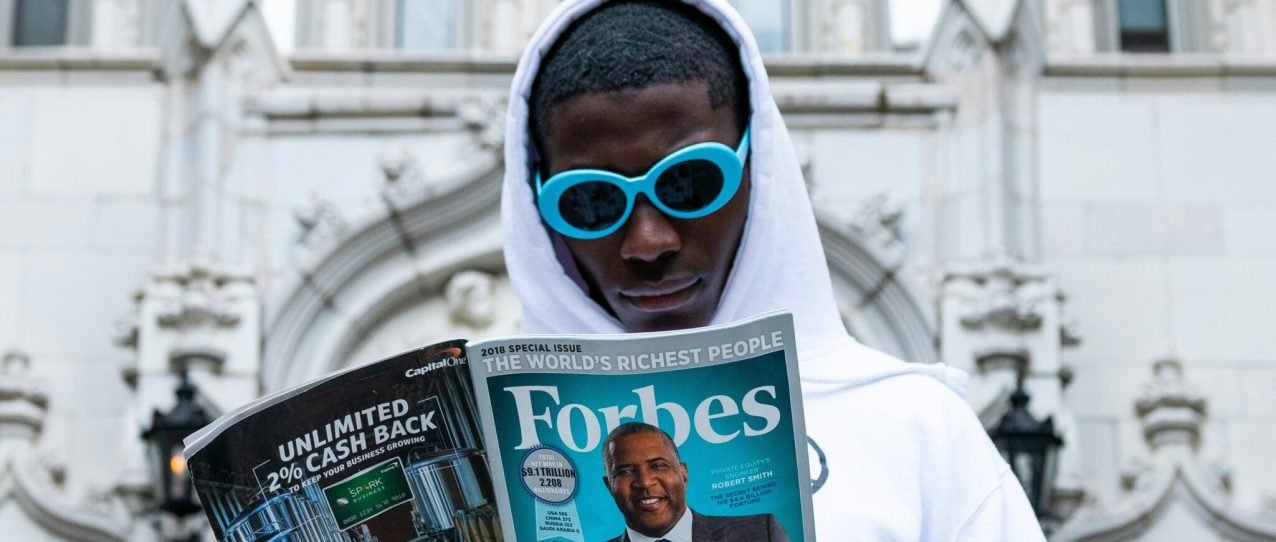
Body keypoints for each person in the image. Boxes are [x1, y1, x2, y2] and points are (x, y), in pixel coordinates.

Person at [500, 0, 1046, 539]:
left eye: (690, 182)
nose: (648, 242)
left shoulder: (918, 429)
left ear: (759, 170)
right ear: (535, 208)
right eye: (590, 200)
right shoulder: (492, 456)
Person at [601, 422, 789, 542]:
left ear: (683, 474)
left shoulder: (760, 533)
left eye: (658, 466)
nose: (645, 482)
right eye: (625, 471)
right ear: (609, 487)